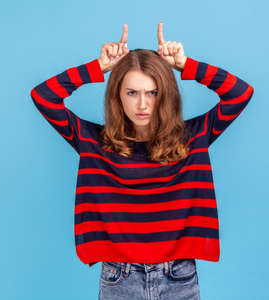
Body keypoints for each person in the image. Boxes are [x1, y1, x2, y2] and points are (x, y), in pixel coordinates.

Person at [30, 21, 254, 300]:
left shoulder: (193, 137)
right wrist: (98, 68)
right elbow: (44, 96)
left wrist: (185, 65)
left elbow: (240, 93)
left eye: (152, 92)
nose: (143, 104)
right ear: (118, 97)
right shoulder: (93, 142)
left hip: (179, 276)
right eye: (132, 93)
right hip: (119, 278)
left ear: (166, 96)